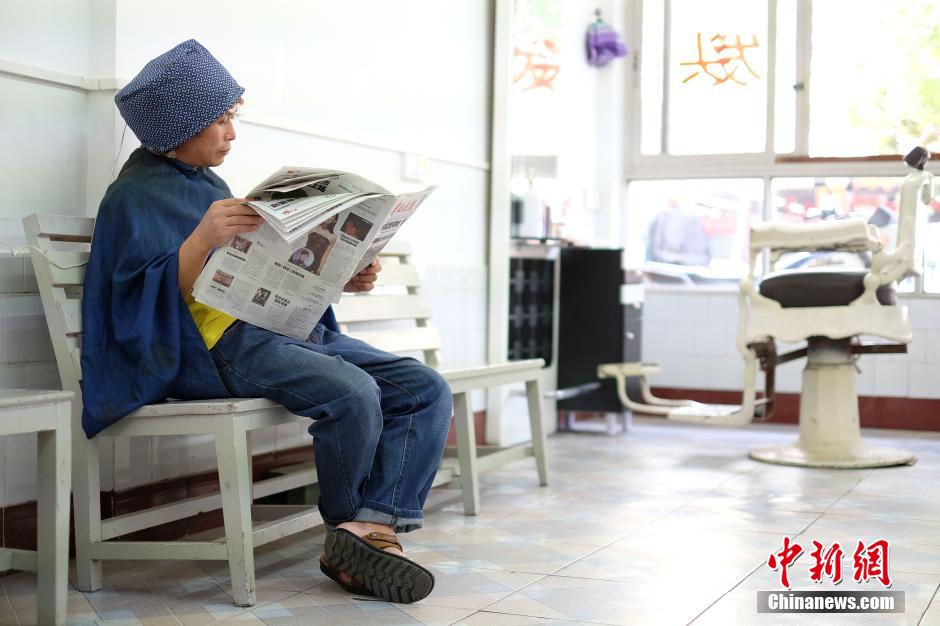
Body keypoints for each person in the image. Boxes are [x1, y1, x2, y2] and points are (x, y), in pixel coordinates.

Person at [82, 40, 452, 604]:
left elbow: (264, 269)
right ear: (180, 126)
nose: (232, 133)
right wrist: (201, 240)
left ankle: (367, 528)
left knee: (425, 389)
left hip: (274, 331)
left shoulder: (211, 187)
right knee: (353, 392)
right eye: (221, 120)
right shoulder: (132, 197)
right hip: (216, 348)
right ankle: (352, 534)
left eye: (233, 117)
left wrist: (343, 276)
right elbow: (134, 301)